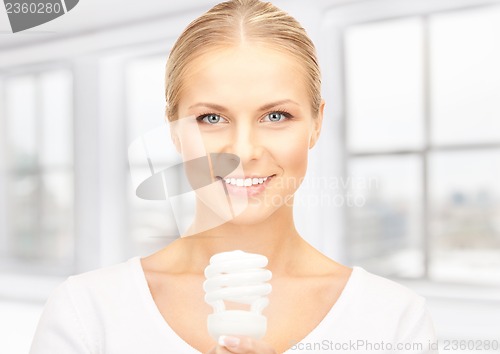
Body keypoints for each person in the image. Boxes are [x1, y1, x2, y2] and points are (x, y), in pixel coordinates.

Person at [29, 1, 438, 353]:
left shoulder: (393, 321)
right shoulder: (87, 312)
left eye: (276, 116)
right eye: (211, 118)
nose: (243, 151)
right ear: (174, 131)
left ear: (316, 124)